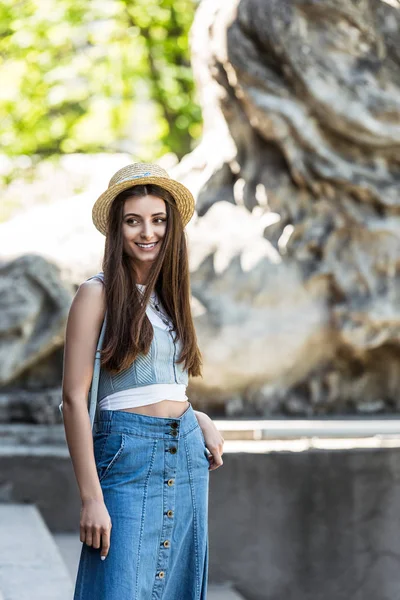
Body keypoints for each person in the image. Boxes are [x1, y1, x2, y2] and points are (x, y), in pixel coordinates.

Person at [61, 162, 224, 600]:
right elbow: (74, 400)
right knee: (117, 588)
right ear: (117, 229)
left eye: (158, 220)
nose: (147, 232)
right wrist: (91, 498)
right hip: (126, 459)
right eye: (133, 221)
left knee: (178, 588)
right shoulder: (95, 294)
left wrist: (199, 416)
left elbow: (167, 384)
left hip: (187, 451)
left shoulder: (171, 297)